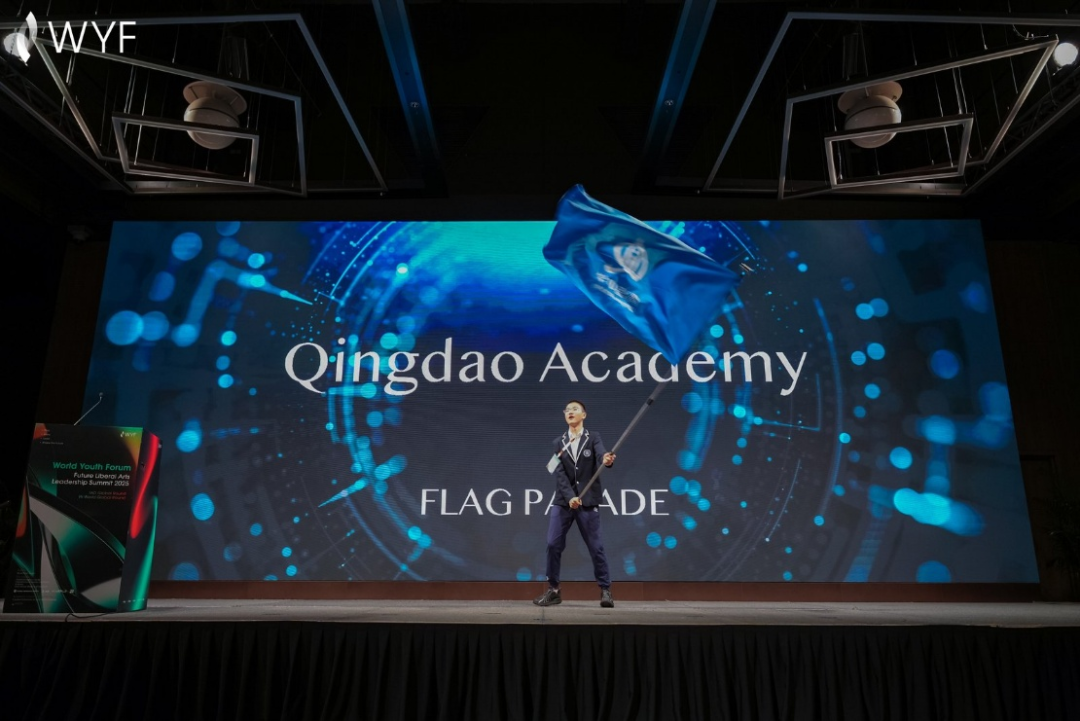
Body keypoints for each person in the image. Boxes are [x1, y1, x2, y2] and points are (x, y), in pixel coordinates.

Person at [534, 400, 616, 608]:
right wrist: (570, 496)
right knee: (553, 544)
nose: (570, 412)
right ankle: (554, 590)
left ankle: (605, 589)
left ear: (584, 415)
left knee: (596, 547)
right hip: (563, 501)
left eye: (575, 409)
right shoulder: (559, 442)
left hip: (587, 502)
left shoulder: (593, 437)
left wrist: (606, 459)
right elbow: (558, 473)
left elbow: (601, 454)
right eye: (567, 410)